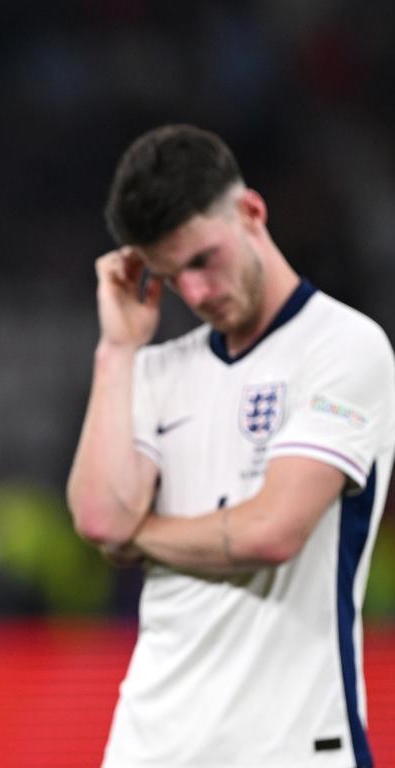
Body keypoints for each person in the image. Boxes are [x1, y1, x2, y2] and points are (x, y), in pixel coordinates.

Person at [67, 124, 395, 768]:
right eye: (168, 274)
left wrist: (139, 537)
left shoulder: (345, 348)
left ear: (251, 213)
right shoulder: (156, 368)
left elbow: (271, 533)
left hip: (293, 746)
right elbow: (100, 517)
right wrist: (119, 348)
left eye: (202, 261)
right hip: (147, 744)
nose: (193, 293)